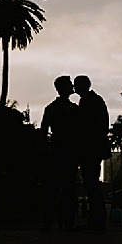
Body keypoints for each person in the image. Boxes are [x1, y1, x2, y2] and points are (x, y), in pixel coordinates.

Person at [40, 75, 80, 231]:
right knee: (55, 189)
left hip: (67, 152)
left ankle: (67, 222)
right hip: (58, 152)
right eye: (69, 85)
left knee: (67, 188)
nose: (72, 87)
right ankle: (51, 222)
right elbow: (44, 131)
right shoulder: (53, 108)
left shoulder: (71, 109)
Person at [74, 74, 111, 231]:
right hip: (92, 148)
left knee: (91, 185)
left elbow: (88, 126)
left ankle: (96, 220)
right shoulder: (93, 100)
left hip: (90, 149)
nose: (74, 88)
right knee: (92, 185)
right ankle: (96, 220)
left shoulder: (90, 101)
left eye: (76, 85)